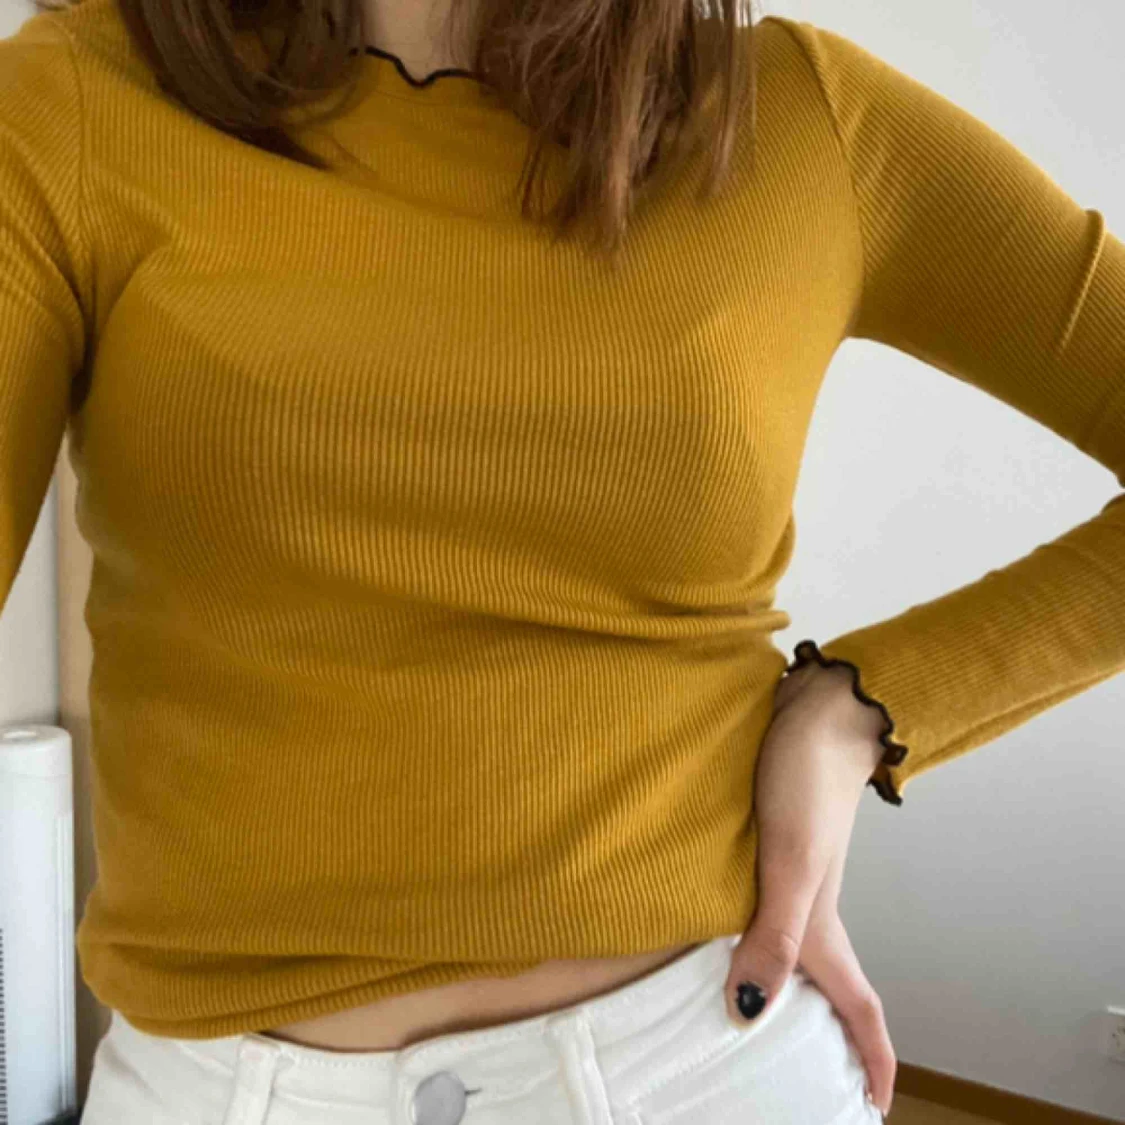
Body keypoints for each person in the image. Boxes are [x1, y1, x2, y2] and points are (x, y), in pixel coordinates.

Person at [2, 0, 1121, 1122]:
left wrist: (862, 710)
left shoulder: (798, 121)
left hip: (704, 1063)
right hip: (219, 1089)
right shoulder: (79, 101)